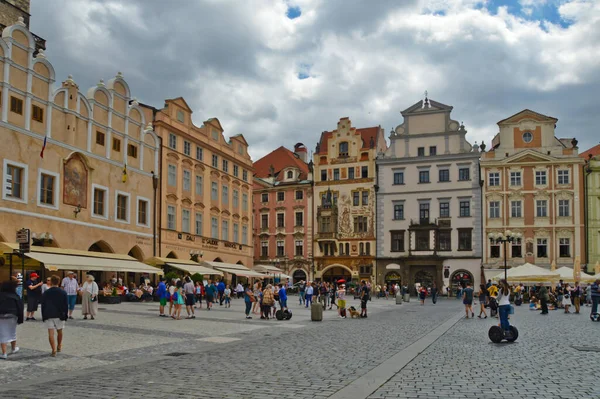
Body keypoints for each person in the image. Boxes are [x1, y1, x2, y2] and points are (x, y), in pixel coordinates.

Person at [41, 275, 68, 357]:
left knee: (51, 333)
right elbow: (65, 305)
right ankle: (59, 345)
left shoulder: (46, 292)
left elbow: (43, 305)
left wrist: (43, 315)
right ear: (59, 282)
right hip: (59, 314)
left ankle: (53, 350)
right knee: (60, 331)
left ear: (51, 282)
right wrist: (65, 314)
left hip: (49, 314)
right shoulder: (63, 292)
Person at [0, 279, 23, 360]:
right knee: (12, 332)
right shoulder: (15, 296)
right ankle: (13, 348)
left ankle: (4, 353)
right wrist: (20, 319)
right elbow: (20, 307)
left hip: (1, 316)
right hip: (13, 316)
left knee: (2, 334)